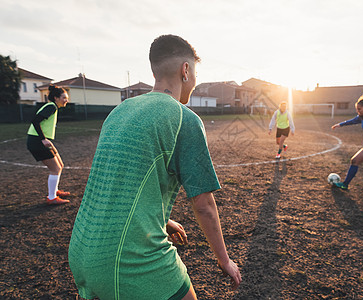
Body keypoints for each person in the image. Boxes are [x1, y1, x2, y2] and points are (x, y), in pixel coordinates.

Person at [68, 35, 241, 300]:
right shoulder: (185, 118)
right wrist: (224, 260)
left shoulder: (119, 111)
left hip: (82, 249)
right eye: (194, 73)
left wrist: (163, 219)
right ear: (186, 70)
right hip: (126, 260)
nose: (194, 82)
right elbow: (203, 204)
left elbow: (117, 179)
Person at [26, 84, 71, 205]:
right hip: (36, 141)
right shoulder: (51, 107)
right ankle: (51, 198)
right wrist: (43, 139)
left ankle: (55, 191)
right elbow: (35, 121)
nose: (66, 100)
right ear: (56, 98)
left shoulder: (52, 107)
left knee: (60, 165)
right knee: (55, 168)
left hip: (40, 140)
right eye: (64, 97)